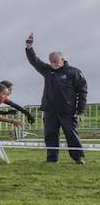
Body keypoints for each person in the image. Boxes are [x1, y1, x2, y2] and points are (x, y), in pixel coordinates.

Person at [25, 33, 86, 163]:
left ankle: (78, 158)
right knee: (50, 134)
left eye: (55, 61)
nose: (52, 63)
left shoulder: (73, 72)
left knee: (71, 134)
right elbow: (35, 61)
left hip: (68, 111)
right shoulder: (48, 70)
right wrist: (29, 47)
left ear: (62, 60)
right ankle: (52, 158)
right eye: (51, 61)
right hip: (50, 110)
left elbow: (82, 91)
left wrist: (80, 109)